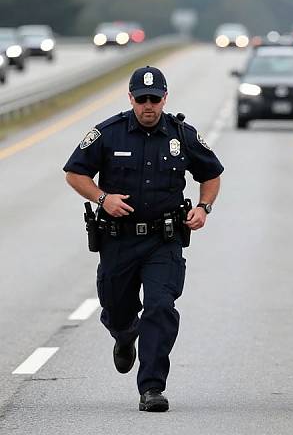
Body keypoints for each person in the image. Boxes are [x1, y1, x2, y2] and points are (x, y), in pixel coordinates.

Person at [63, 65, 224, 412]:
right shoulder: (109, 133)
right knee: (117, 308)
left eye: (154, 99)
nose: (148, 105)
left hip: (163, 240)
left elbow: (211, 174)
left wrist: (204, 207)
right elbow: (74, 173)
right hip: (118, 240)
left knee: (160, 306)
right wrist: (103, 198)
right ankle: (124, 336)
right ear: (131, 98)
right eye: (141, 99)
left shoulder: (182, 135)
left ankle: (152, 387)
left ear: (165, 98)